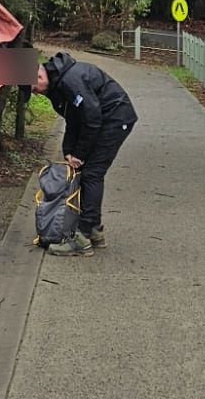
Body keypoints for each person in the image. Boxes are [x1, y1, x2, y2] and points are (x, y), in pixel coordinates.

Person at [33, 51, 137, 255]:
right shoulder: (56, 86)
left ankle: (82, 237)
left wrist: (79, 154)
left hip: (115, 118)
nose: (35, 93)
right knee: (88, 172)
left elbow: (92, 119)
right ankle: (94, 230)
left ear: (38, 75)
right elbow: (73, 118)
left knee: (92, 173)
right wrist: (69, 151)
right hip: (102, 119)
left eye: (32, 88)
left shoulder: (71, 81)